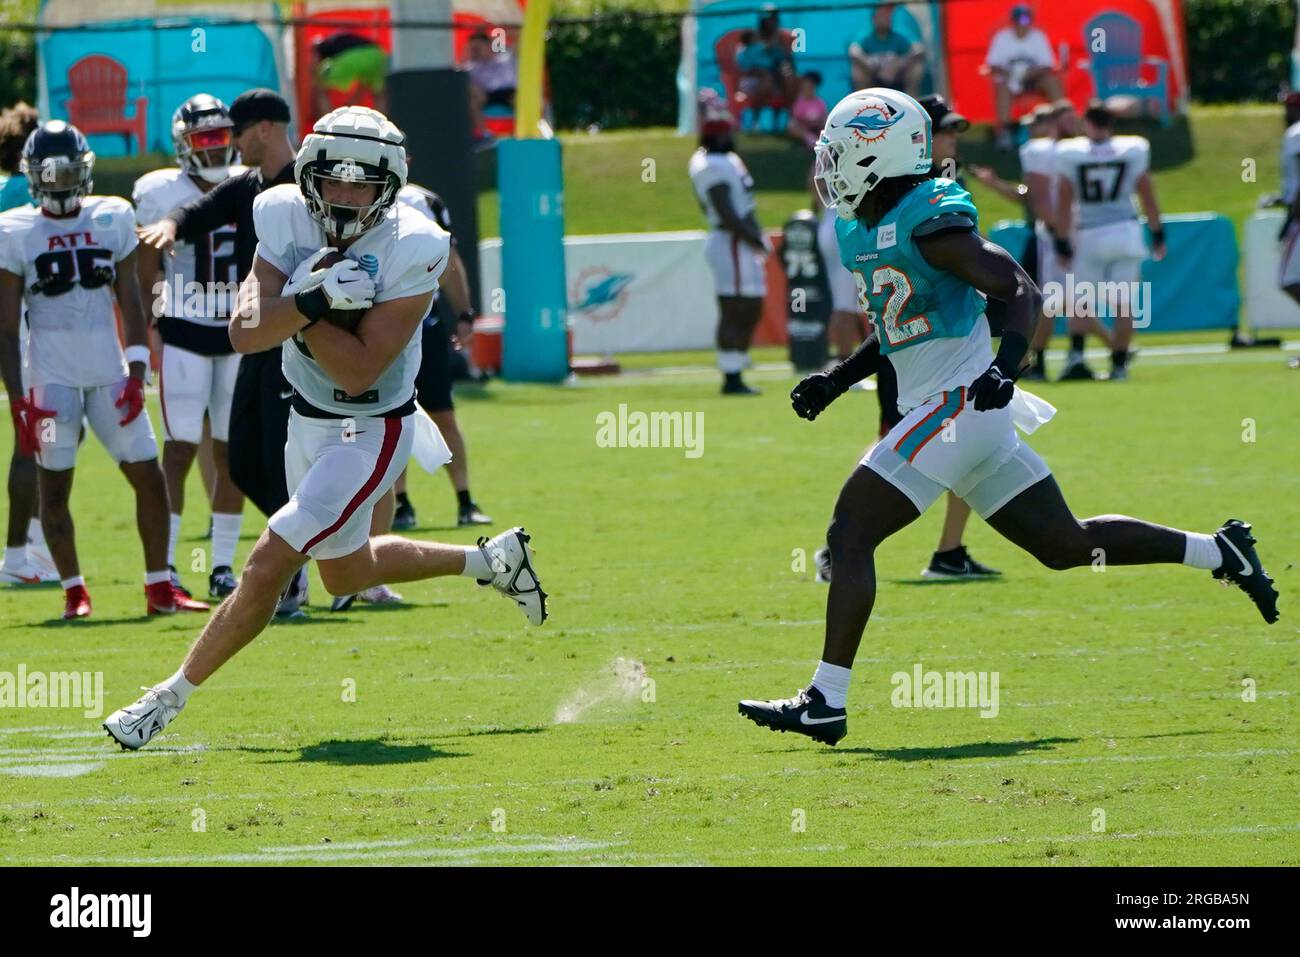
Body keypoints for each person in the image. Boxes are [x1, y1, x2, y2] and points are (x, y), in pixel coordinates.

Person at [738, 88, 1278, 746]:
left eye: (841, 153)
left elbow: (1017, 288)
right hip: (953, 410)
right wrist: (837, 377)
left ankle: (825, 699)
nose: (829, 165)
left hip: (961, 405)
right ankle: (1218, 550)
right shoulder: (869, 224)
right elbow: (900, 324)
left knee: (851, 530)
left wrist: (1007, 364)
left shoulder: (931, 219)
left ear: (880, 154)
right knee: (1067, 545)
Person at [103, 106, 548, 751]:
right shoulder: (283, 211)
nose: (341, 197)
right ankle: (491, 560)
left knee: (268, 563)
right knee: (345, 573)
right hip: (305, 417)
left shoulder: (415, 244)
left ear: (388, 185)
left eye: (359, 183)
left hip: (371, 427)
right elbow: (246, 332)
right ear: (309, 173)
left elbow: (364, 369)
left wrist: (303, 310)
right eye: (330, 180)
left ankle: (165, 699)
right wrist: (312, 300)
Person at [0, 121, 210, 619]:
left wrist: (138, 370)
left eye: (66, 171)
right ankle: (74, 591)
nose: (57, 182)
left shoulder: (111, 216)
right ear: (33, 175)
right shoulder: (14, 229)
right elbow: (5, 329)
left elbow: (132, 301)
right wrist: (18, 400)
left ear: (84, 169)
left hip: (112, 375)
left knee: (149, 477)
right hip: (49, 381)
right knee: (54, 485)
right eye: (48, 173)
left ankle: (160, 586)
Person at [814, 93, 1001, 584]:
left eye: (957, 131)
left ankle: (948, 548)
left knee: (966, 444)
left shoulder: (939, 196)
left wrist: (1008, 350)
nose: (952, 140)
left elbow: (1008, 284)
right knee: (896, 447)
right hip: (909, 353)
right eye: (944, 130)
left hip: (949, 360)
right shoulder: (881, 206)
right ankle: (852, 545)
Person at [136, 88, 308, 617]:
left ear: (260, 129)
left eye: (232, 132)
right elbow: (202, 209)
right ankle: (298, 566)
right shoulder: (248, 185)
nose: (226, 144)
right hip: (250, 337)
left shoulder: (312, 178)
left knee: (295, 460)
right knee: (248, 461)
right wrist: (170, 225)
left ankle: (329, 566)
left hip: (306, 340)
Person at [133, 94, 246, 600]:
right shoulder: (159, 192)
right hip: (184, 326)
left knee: (231, 453)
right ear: (183, 145)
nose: (214, 147)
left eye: (220, 136)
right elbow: (146, 267)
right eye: (203, 139)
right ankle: (169, 566)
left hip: (241, 329)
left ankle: (222, 566)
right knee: (179, 450)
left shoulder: (250, 183)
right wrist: (155, 322)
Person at [391, 171, 492, 531]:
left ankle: (465, 499)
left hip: (422, 319)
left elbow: (448, 261)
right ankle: (400, 503)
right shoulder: (354, 198)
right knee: (387, 415)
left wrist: (463, 314)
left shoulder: (424, 201)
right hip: (376, 318)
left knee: (442, 411)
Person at [1053, 101, 1163, 381]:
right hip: (1125, 231)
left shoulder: (1070, 152)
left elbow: (1065, 201)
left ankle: (1076, 357)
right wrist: (1158, 233)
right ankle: (1119, 366)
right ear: (1111, 123)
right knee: (1122, 304)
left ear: (1086, 122)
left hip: (1088, 232)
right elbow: (1147, 194)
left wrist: (1062, 240)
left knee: (1081, 301)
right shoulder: (1133, 148)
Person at [0, 100, 57, 585]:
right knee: (37, 434)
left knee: (42, 432)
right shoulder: (33, 192)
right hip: (34, 325)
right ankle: (22, 552)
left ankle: (31, 547)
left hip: (16, 326)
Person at [689, 100, 769, 395]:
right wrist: (751, 236)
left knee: (752, 304)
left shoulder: (727, 159)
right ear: (718, 136)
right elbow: (725, 209)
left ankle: (737, 361)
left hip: (740, 239)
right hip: (730, 239)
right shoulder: (711, 163)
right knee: (734, 307)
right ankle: (731, 375)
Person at [985, 4, 1063, 151]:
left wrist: (1029, 74)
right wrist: (1010, 74)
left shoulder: (1038, 36)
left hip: (1034, 78)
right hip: (1009, 79)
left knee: (1052, 81)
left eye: (1026, 20)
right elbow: (993, 64)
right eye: (1020, 20)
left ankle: (1062, 122)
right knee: (1001, 86)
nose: (1023, 24)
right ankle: (1005, 132)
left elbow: (1047, 65)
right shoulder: (1002, 37)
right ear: (1013, 21)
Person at [848, 3, 925, 98]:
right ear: (874, 18)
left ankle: (912, 103)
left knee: (916, 69)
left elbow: (918, 49)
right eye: (882, 15)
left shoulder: (900, 33)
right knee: (857, 71)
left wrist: (898, 64)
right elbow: (854, 51)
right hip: (873, 74)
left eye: (888, 15)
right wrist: (870, 65)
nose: (886, 18)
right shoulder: (865, 35)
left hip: (897, 75)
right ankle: (864, 102)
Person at [463, 30, 517, 145]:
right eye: (473, 48)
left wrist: (508, 32)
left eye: (478, 48)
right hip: (487, 96)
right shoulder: (472, 67)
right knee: (471, 95)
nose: (476, 51)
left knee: (519, 99)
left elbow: (518, 44)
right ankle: (484, 134)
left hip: (508, 93)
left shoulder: (505, 59)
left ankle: (525, 131)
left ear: (488, 45)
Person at [787, 72, 828, 150]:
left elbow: (824, 115)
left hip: (817, 126)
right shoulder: (800, 102)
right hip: (804, 126)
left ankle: (823, 141)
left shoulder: (820, 102)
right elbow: (796, 117)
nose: (808, 89)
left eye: (810, 86)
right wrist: (806, 121)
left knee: (825, 124)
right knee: (793, 126)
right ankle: (811, 139)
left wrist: (818, 121)